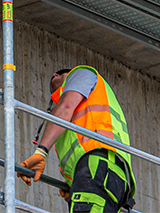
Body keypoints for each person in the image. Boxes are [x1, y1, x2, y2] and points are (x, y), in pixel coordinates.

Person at [20, 66, 136, 213]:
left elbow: (66, 106)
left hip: (98, 169)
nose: (55, 75)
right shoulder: (91, 110)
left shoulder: (81, 74)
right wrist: (75, 182)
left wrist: (41, 152)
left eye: (60, 74)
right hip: (112, 177)